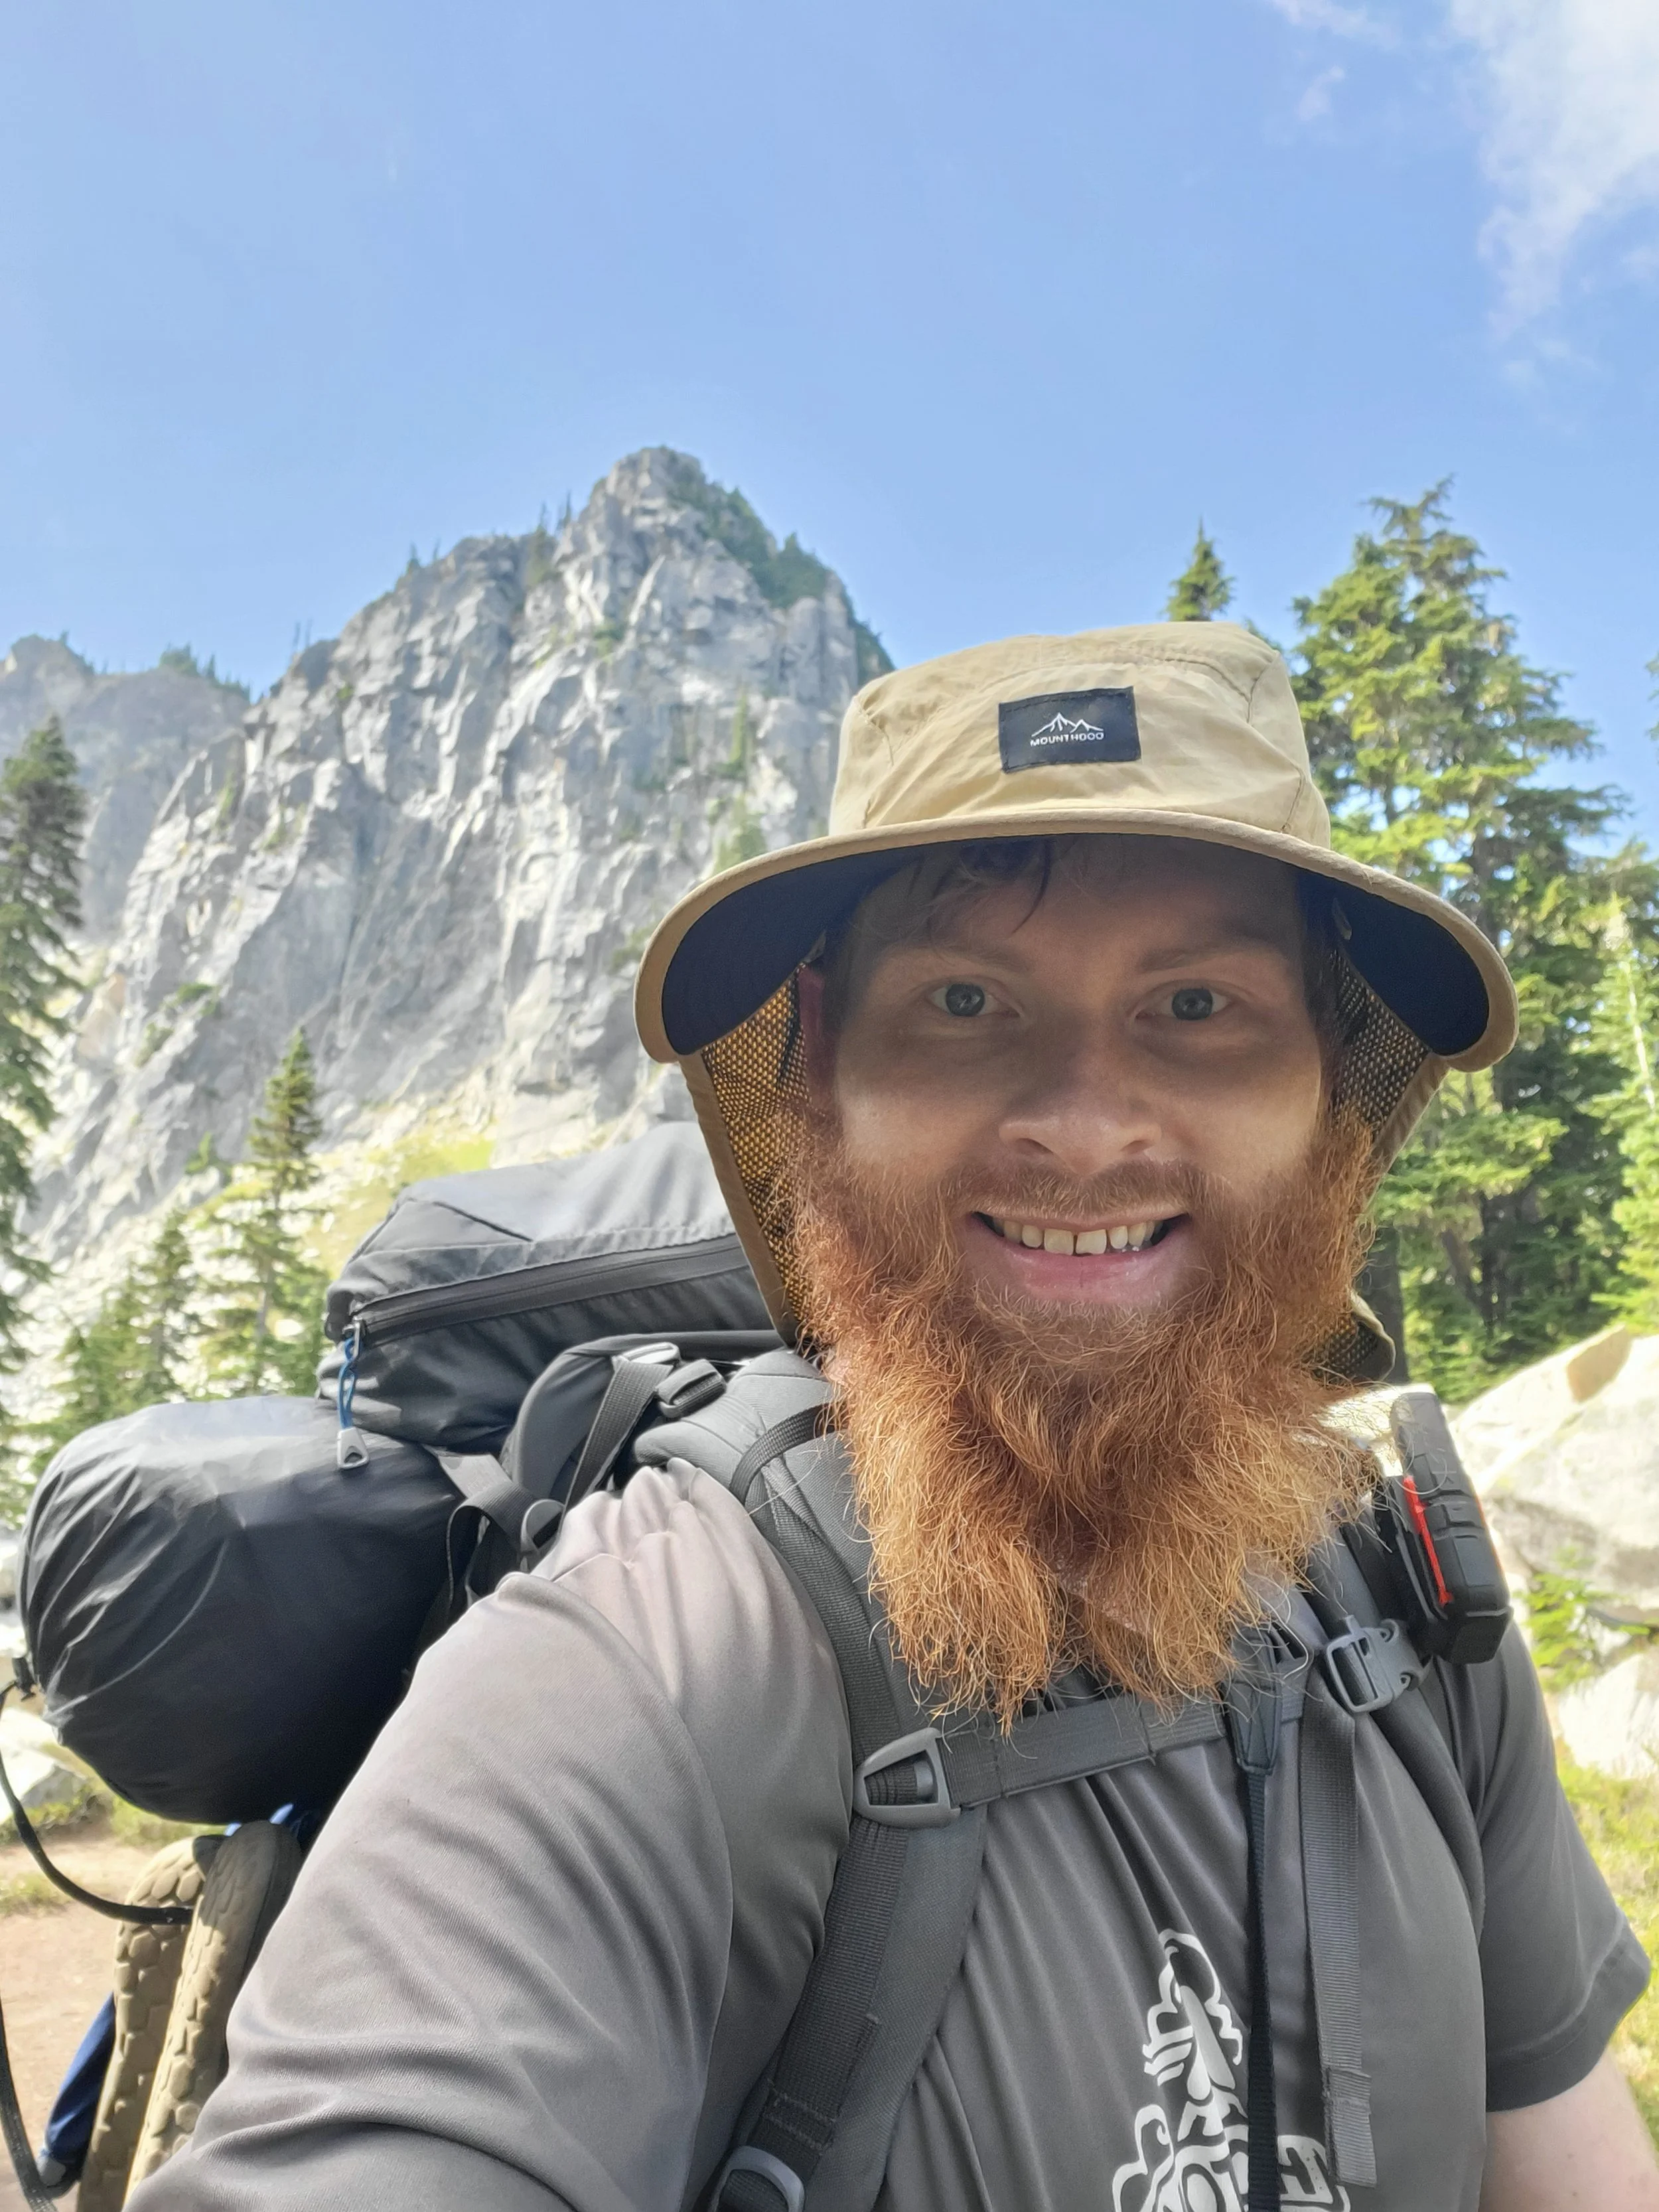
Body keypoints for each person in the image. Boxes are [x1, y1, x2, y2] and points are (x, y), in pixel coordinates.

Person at [133, 624, 1656, 2212]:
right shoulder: (652, 1654)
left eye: (1197, 1003)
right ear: (819, 1083)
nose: (1081, 1124)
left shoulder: (1402, 1606)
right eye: (964, 996)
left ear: (1326, 1092)